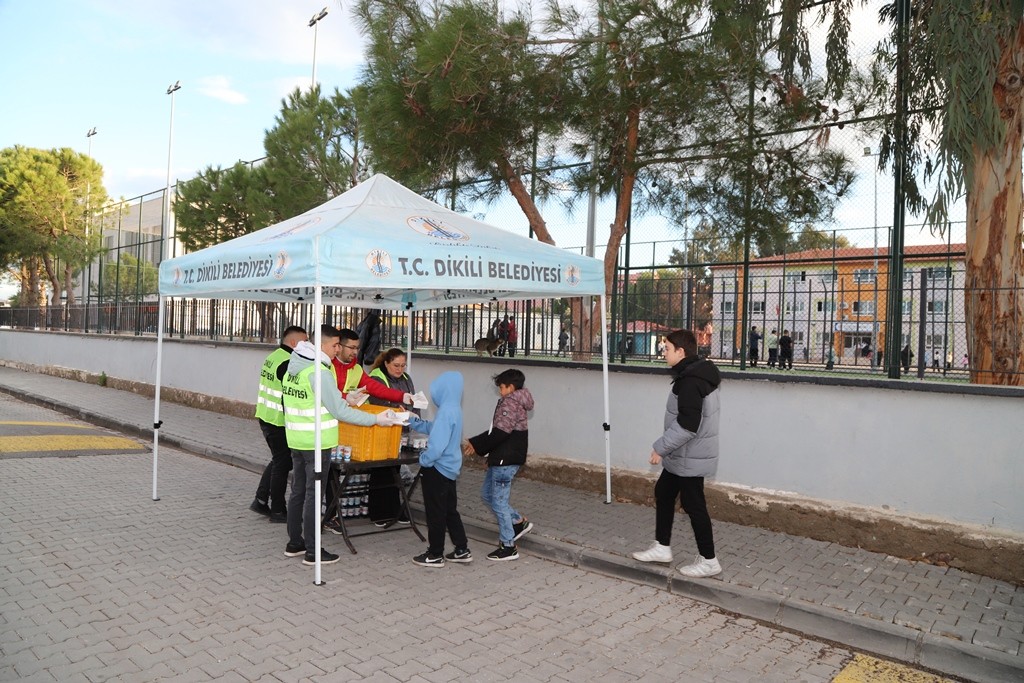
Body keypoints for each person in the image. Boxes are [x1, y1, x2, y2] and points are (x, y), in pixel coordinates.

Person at [282, 325, 402, 566]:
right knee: (313, 495)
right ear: (322, 344)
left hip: (297, 439)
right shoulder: (319, 372)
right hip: (317, 442)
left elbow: (313, 401)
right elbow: (339, 412)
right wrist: (376, 419)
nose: (338, 349)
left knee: (298, 491)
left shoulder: (295, 367)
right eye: (335, 345)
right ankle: (313, 550)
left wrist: (344, 398)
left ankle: (295, 542)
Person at [632, 328, 723, 578]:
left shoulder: (691, 381)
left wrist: (660, 448)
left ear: (681, 351)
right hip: (683, 455)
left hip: (689, 457)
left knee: (695, 506)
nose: (664, 352)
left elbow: (687, 425)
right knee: (664, 492)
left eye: (667, 348)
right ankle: (662, 547)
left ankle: (709, 560)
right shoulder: (694, 374)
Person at [326, 329, 416, 532]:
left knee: (333, 472)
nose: (355, 352)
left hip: (345, 427)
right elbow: (326, 392)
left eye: (357, 348)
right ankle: (326, 515)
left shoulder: (355, 369)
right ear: (338, 346)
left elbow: (373, 387)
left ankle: (331, 516)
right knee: (325, 474)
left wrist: (402, 397)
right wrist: (344, 397)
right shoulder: (325, 367)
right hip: (324, 426)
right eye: (352, 348)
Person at [463, 369, 535, 561]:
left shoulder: (511, 402)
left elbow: (500, 433)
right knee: (488, 495)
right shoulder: (514, 400)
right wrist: (491, 457)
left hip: (506, 460)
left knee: (499, 503)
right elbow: (502, 434)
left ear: (510, 387)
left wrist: (476, 443)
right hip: (502, 458)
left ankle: (508, 546)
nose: (500, 391)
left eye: (502, 387)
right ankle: (518, 522)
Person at [406, 372, 470, 567]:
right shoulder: (454, 409)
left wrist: (424, 459)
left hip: (437, 469)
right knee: (450, 510)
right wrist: (414, 421)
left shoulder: (445, 412)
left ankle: (435, 553)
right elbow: (435, 428)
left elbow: (437, 445)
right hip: (450, 468)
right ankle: (461, 548)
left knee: (435, 512)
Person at [251, 325, 308, 523]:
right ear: (294, 343)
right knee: (282, 465)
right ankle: (277, 510)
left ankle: (260, 499)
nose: (308, 345)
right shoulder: (288, 362)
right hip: (278, 421)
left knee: (279, 460)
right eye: (305, 341)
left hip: (267, 416)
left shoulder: (274, 356)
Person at [366, 348, 419, 526]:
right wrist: (397, 408)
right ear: (386, 363)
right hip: (381, 430)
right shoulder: (377, 377)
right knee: (380, 471)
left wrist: (413, 415)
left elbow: (412, 399)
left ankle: (395, 510)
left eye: (403, 365)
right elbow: (376, 402)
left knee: (395, 470)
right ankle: (379, 513)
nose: (400, 369)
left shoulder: (406, 378)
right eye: (396, 365)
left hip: (400, 430)